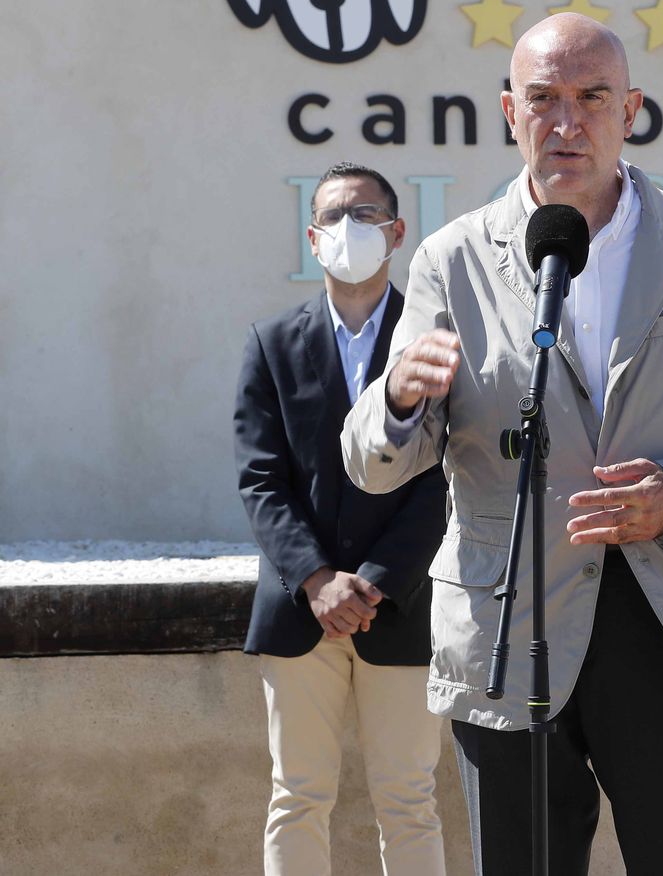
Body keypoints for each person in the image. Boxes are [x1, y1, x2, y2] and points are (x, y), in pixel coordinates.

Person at [340, 13, 663, 876]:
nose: (568, 122)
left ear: (630, 109)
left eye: (592, 97)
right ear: (508, 113)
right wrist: (401, 398)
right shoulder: (452, 262)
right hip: (510, 616)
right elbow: (377, 461)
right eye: (543, 99)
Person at [234, 161, 448, 876]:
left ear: (397, 233)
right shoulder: (271, 342)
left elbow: (447, 476)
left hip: (404, 604)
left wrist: (378, 580)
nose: (348, 230)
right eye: (333, 217)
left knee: (410, 800)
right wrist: (318, 579)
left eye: (366, 215)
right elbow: (261, 479)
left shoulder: (436, 342)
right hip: (301, 611)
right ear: (312, 236)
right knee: (297, 796)